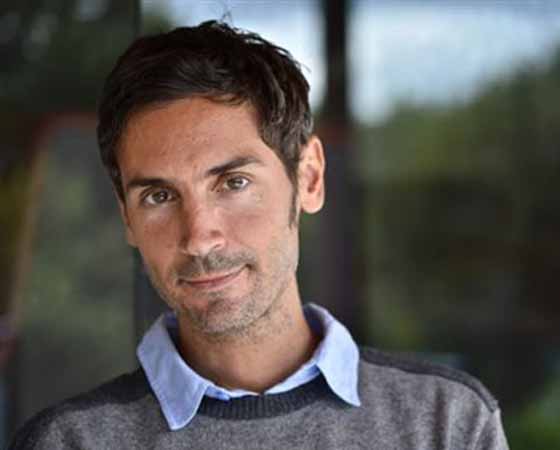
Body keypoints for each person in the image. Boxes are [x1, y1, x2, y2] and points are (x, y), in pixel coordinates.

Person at [9, 21, 509, 450]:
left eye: (234, 183)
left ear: (308, 178)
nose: (200, 238)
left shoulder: (446, 423)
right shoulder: (69, 442)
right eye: (159, 196)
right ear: (126, 218)